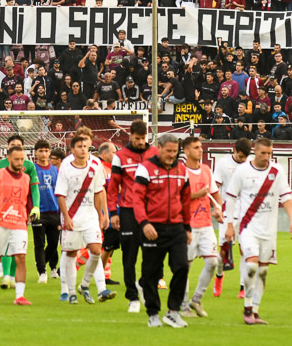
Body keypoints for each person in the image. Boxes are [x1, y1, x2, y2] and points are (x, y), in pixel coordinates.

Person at [223, 137, 292, 326]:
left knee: (263, 272)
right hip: (248, 227)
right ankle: (247, 307)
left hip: (269, 231)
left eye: (269, 153)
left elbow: (286, 196)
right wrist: (230, 224)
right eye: (263, 153)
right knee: (251, 266)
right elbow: (230, 197)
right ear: (254, 151)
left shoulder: (277, 171)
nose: (267, 156)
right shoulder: (242, 171)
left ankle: (255, 311)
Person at [130, 133, 192, 328]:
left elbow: (185, 200)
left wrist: (187, 227)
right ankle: (153, 313)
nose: (172, 155)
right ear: (159, 148)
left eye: (175, 151)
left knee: (182, 266)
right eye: (168, 151)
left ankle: (173, 312)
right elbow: (137, 199)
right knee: (151, 273)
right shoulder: (145, 169)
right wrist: (144, 223)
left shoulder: (182, 170)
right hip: (152, 228)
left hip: (176, 228)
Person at [56, 133, 114, 304]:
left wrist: (102, 214)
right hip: (72, 216)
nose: (84, 148)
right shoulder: (66, 165)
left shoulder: (95, 165)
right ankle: (68, 290)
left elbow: (99, 191)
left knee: (96, 250)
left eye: (86, 145)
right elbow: (60, 194)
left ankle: (86, 285)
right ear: (73, 149)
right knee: (70, 253)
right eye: (80, 145)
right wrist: (65, 217)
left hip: (90, 217)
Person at [110, 119, 157, 312]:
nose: (140, 142)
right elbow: (113, 187)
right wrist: (113, 212)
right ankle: (132, 297)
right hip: (128, 210)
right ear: (130, 135)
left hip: (150, 211)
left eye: (143, 138)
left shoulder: (154, 153)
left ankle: (143, 284)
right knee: (129, 255)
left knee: (151, 254)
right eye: (137, 138)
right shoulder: (120, 156)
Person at [0, 144, 35, 305]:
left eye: (22, 159)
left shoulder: (26, 177)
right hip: (0, 224)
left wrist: (30, 211)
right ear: (9, 158)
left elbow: (29, 199)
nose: (20, 162)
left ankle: (19, 296)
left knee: (20, 257)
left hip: (19, 224)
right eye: (16, 159)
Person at [180, 135, 222, 317]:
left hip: (206, 224)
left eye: (201, 146)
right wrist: (197, 194)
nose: (200, 150)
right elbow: (176, 199)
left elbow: (215, 193)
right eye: (196, 147)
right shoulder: (180, 172)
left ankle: (196, 299)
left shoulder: (206, 170)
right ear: (186, 151)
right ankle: (183, 306)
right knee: (185, 267)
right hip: (187, 225)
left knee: (213, 262)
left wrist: (217, 209)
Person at [211, 137, 249, 297]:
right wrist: (216, 208)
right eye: (241, 156)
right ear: (234, 150)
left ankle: (243, 287)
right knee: (224, 252)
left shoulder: (250, 164)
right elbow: (215, 188)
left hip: (246, 213)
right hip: (227, 212)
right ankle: (219, 276)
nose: (243, 160)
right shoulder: (223, 164)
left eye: (245, 157)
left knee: (245, 250)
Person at [30, 140, 60, 284]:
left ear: (49, 152)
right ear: (35, 153)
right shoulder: (32, 169)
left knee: (54, 243)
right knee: (39, 243)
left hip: (54, 212)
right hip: (39, 213)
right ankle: (42, 272)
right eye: (40, 151)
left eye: (46, 151)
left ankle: (42, 262)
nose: (43, 154)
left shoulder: (55, 170)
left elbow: (60, 191)